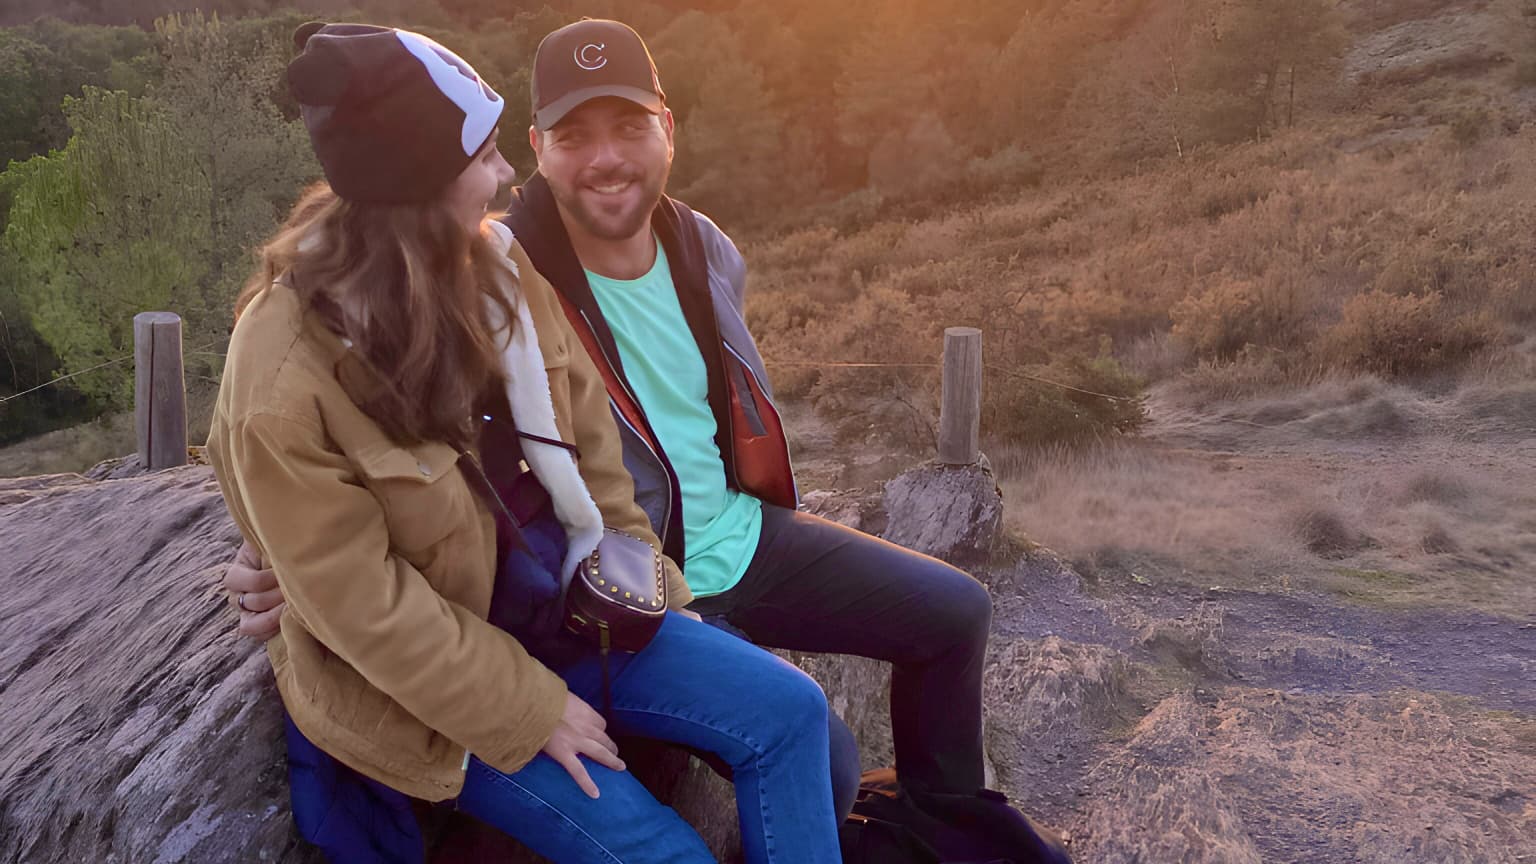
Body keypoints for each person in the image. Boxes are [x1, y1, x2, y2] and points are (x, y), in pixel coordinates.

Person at [227, 16, 994, 816]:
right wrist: (275, 557)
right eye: (572, 134)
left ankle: (945, 835)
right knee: (826, 762)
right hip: (625, 579)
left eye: (629, 127)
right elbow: (366, 424)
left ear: (668, 131)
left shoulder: (703, 248)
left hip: (744, 539)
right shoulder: (486, 270)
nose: (605, 158)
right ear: (536, 146)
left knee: (957, 614)